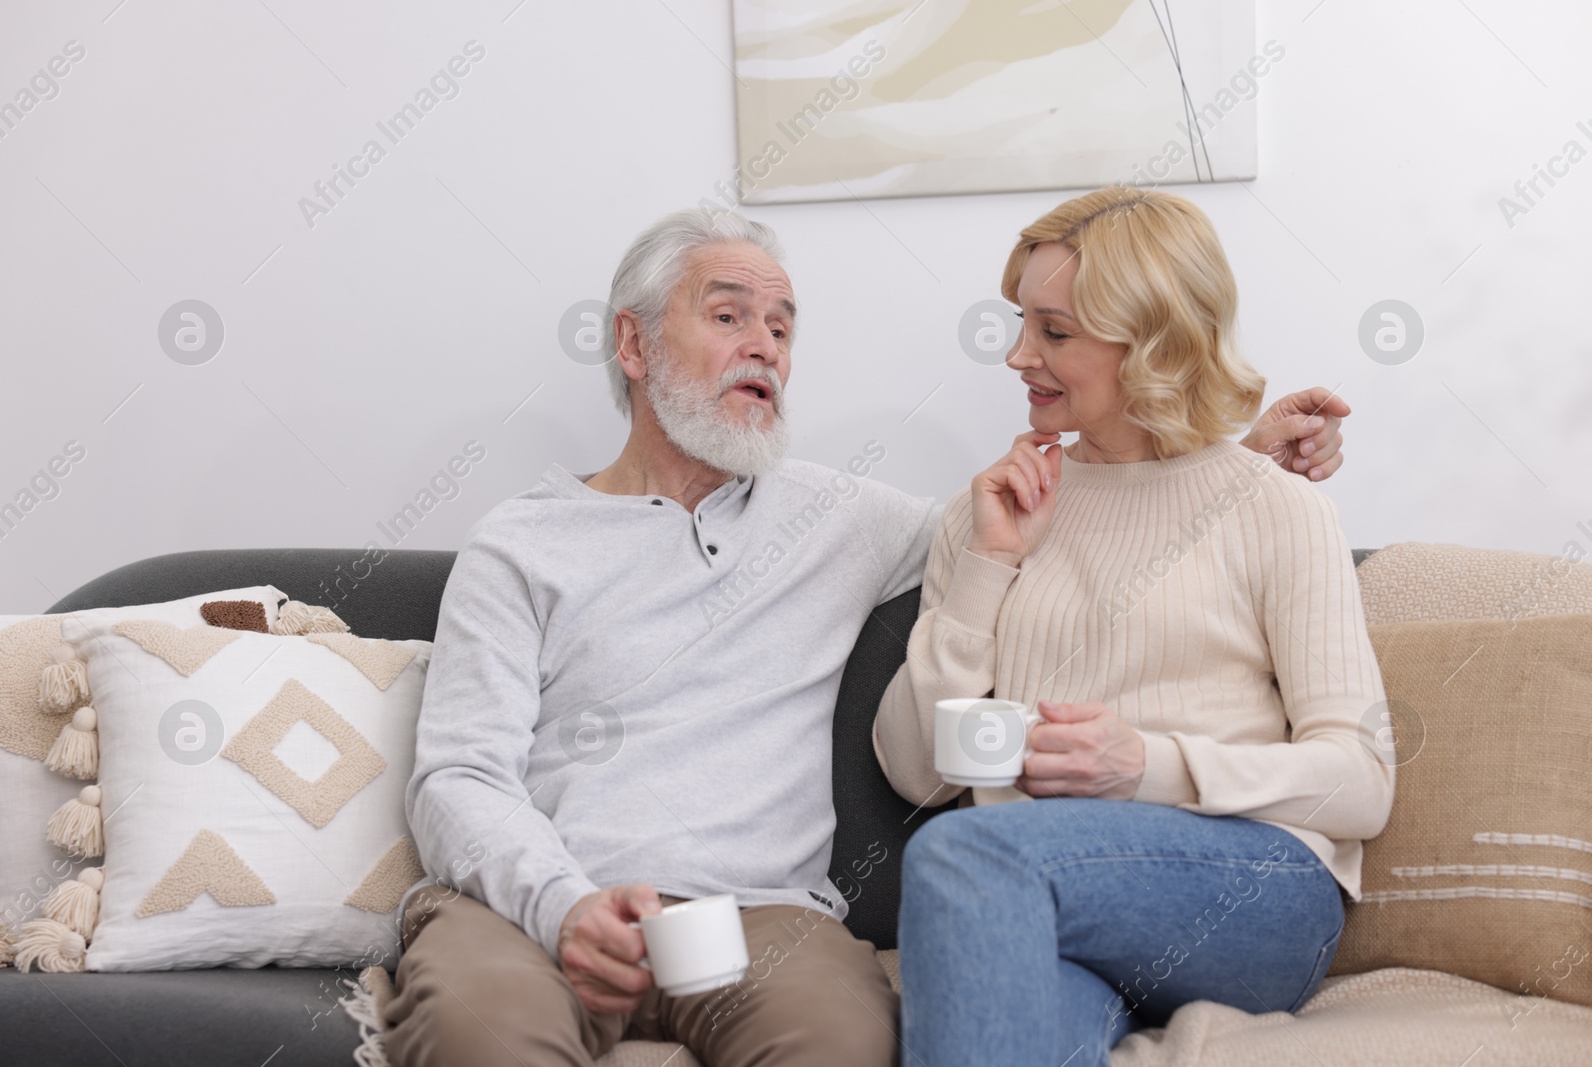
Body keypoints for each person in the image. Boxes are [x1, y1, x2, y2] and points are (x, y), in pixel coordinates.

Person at [380, 205, 1354, 1067]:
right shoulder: (521, 543)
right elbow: (458, 776)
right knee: (480, 1033)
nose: (763, 344)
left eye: (781, 324)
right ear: (632, 346)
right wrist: (560, 902)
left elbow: (1067, 517)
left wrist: (1227, 461)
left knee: (844, 1042)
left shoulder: (837, 517)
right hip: (535, 904)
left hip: (756, 915)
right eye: (728, 317)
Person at [873, 187, 1395, 1067]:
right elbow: (914, 770)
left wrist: (1146, 765)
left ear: (1153, 343)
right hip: (1044, 899)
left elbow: (1363, 781)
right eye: (1020, 322)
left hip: (1254, 889)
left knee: (963, 856)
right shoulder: (992, 512)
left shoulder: (1275, 507)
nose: (1017, 355)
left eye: (1055, 332)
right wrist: (989, 565)